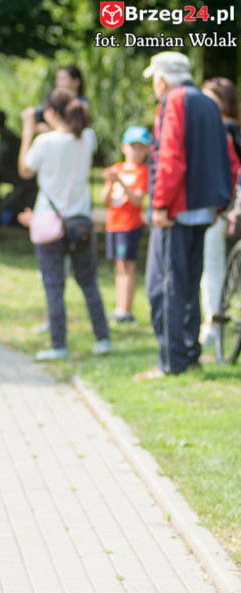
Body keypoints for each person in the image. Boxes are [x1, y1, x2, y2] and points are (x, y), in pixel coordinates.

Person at [135, 52, 233, 380]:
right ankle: (190, 356)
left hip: (176, 209)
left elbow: (170, 156)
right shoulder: (208, 103)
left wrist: (160, 204)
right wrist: (219, 204)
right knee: (189, 283)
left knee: (164, 286)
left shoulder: (174, 101)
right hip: (203, 209)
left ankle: (170, 362)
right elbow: (227, 157)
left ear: (162, 80)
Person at [16, 89, 110, 361]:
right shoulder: (87, 138)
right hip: (80, 223)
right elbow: (68, 136)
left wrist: (28, 130)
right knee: (88, 282)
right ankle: (102, 339)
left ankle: (59, 345)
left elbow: (25, 169)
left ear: (51, 113)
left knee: (54, 286)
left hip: (50, 222)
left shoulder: (43, 142)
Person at [199, 78, 241, 349]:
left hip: (221, 206)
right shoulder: (234, 128)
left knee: (211, 266)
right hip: (231, 205)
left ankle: (211, 322)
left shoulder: (220, 129)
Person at [101, 126, 151, 325]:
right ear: (124, 147)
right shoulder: (117, 168)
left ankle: (126, 310)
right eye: (133, 146)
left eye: (141, 147)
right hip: (113, 224)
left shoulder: (143, 172)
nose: (136, 151)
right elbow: (105, 199)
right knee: (118, 267)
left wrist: (120, 182)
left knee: (127, 266)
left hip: (130, 225)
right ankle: (119, 308)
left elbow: (137, 200)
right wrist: (111, 182)